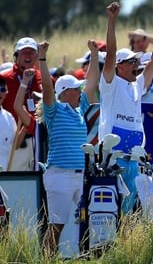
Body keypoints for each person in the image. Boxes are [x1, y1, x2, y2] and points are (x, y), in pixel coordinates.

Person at [26, 40, 97, 257]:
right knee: (57, 224)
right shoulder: (54, 111)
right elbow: (47, 88)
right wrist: (43, 58)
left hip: (79, 175)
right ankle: (49, 260)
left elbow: (92, 82)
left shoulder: (79, 108)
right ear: (65, 93)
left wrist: (94, 54)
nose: (80, 91)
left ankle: (81, 256)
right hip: (59, 175)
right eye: (76, 89)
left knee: (90, 218)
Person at [101, 1, 153, 214]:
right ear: (118, 66)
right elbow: (111, 53)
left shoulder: (137, 84)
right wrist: (112, 21)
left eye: (136, 62)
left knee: (131, 215)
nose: (135, 65)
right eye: (131, 62)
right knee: (113, 212)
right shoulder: (110, 83)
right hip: (114, 159)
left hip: (134, 160)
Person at [0, 37, 43, 171]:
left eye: (31, 52)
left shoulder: (43, 77)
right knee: (14, 182)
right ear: (16, 56)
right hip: (15, 142)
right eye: (24, 52)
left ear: (37, 56)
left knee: (39, 182)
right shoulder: (4, 78)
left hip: (38, 139)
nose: (28, 56)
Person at [0, 78, 16, 174]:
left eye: (2, 90)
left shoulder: (9, 118)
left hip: (4, 174)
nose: (0, 93)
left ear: (6, 93)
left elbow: (15, 144)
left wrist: (24, 129)